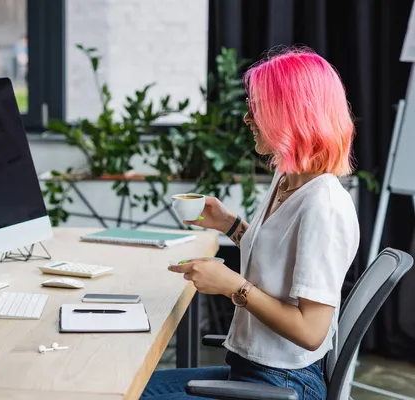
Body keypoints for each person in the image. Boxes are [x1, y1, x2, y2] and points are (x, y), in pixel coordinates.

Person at [141, 46, 360, 400]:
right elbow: (280, 261)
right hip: (252, 370)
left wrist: (233, 287)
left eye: (257, 108)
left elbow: (311, 331)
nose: (247, 118)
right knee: (131, 389)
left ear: (292, 114)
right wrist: (229, 225)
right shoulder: (287, 177)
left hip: (285, 384)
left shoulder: (325, 206)